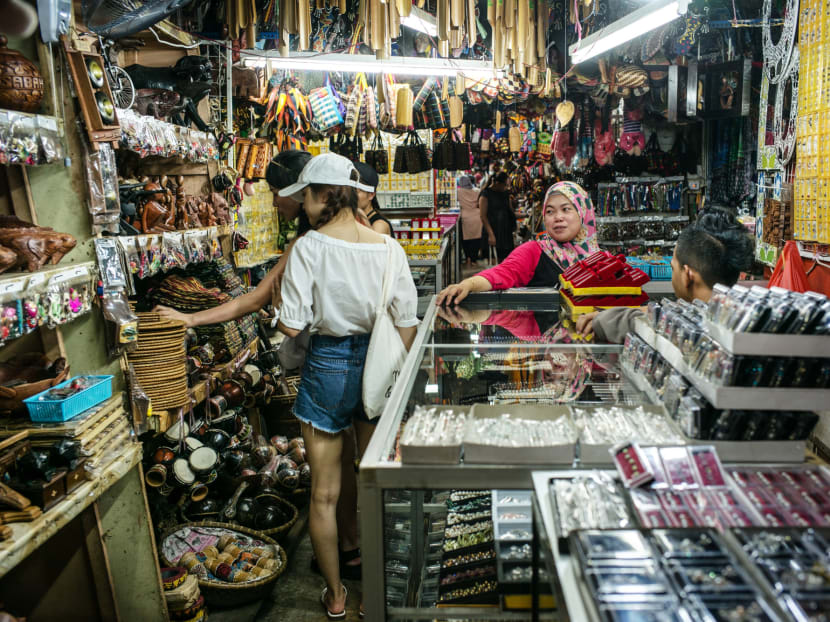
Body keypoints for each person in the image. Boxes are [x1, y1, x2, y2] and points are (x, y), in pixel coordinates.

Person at [153, 149, 364, 582]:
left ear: (307, 194)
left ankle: (343, 571)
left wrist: (191, 318)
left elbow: (266, 303)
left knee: (331, 481)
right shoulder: (360, 236)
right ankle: (353, 549)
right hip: (367, 368)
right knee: (352, 467)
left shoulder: (311, 244)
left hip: (329, 368)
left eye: (276, 193)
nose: (273, 203)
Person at [276, 153, 419, 619]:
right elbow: (406, 323)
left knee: (325, 493)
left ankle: (335, 596)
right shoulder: (388, 248)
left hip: (327, 368)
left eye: (306, 197)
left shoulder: (308, 248)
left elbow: (292, 327)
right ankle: (374, 598)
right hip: (378, 366)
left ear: (319, 195)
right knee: (375, 482)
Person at [576, 210, 755, 343]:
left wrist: (602, 319)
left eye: (673, 267)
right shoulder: (743, 319)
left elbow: (645, 323)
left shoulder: (685, 333)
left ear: (687, 276)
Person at [437, 181, 599, 306]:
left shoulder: (601, 260)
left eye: (566, 209)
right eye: (550, 211)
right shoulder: (534, 251)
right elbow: (502, 273)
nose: (558, 217)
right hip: (546, 345)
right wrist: (468, 284)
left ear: (583, 212)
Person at [480, 172, 516, 262]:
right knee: (493, 260)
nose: (506, 187)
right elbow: (483, 216)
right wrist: (491, 234)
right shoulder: (486, 194)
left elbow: (510, 211)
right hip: (492, 230)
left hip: (505, 232)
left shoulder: (505, 193)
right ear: (497, 183)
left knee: (506, 261)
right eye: (505, 185)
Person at [354, 161, 394, 236]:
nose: (351, 196)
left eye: (356, 191)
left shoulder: (379, 225)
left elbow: (370, 246)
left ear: (371, 195)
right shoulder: (355, 219)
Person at [457, 175, 482, 265]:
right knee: (476, 239)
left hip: (465, 217)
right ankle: (473, 259)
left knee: (465, 239)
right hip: (477, 217)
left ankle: (467, 257)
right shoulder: (477, 191)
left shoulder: (458, 191)